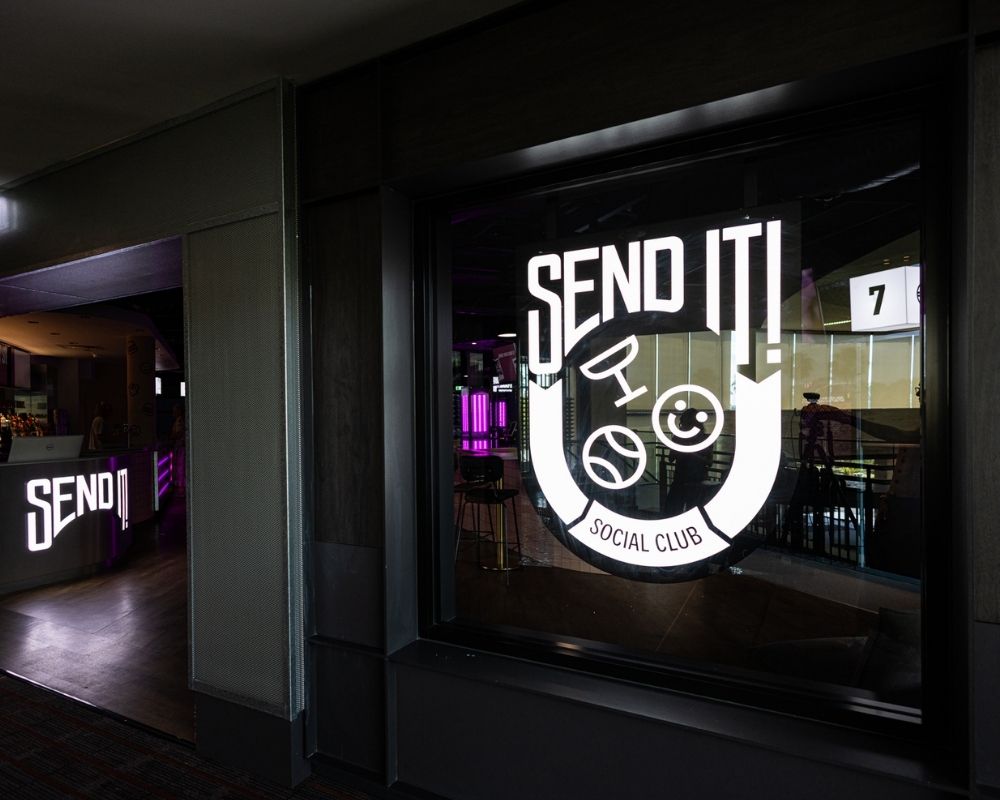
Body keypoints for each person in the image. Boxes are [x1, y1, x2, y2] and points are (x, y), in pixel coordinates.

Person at [169, 403, 186, 496]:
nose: (173, 413)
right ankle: (180, 488)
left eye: (175, 411)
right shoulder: (179, 420)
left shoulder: (180, 421)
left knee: (180, 466)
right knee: (179, 466)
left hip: (180, 447)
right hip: (179, 446)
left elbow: (178, 433)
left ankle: (181, 488)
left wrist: (172, 437)